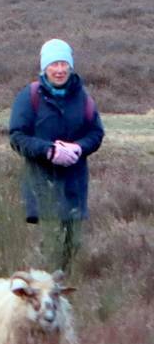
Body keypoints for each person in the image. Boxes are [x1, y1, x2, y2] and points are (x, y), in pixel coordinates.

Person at [9, 38, 104, 276]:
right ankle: (40, 302)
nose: (60, 70)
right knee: (47, 249)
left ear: (70, 66)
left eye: (64, 64)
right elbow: (17, 137)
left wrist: (79, 148)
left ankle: (65, 300)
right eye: (54, 64)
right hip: (42, 187)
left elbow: (96, 132)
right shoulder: (29, 97)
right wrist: (49, 150)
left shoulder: (83, 97)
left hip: (74, 187)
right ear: (44, 68)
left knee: (71, 249)